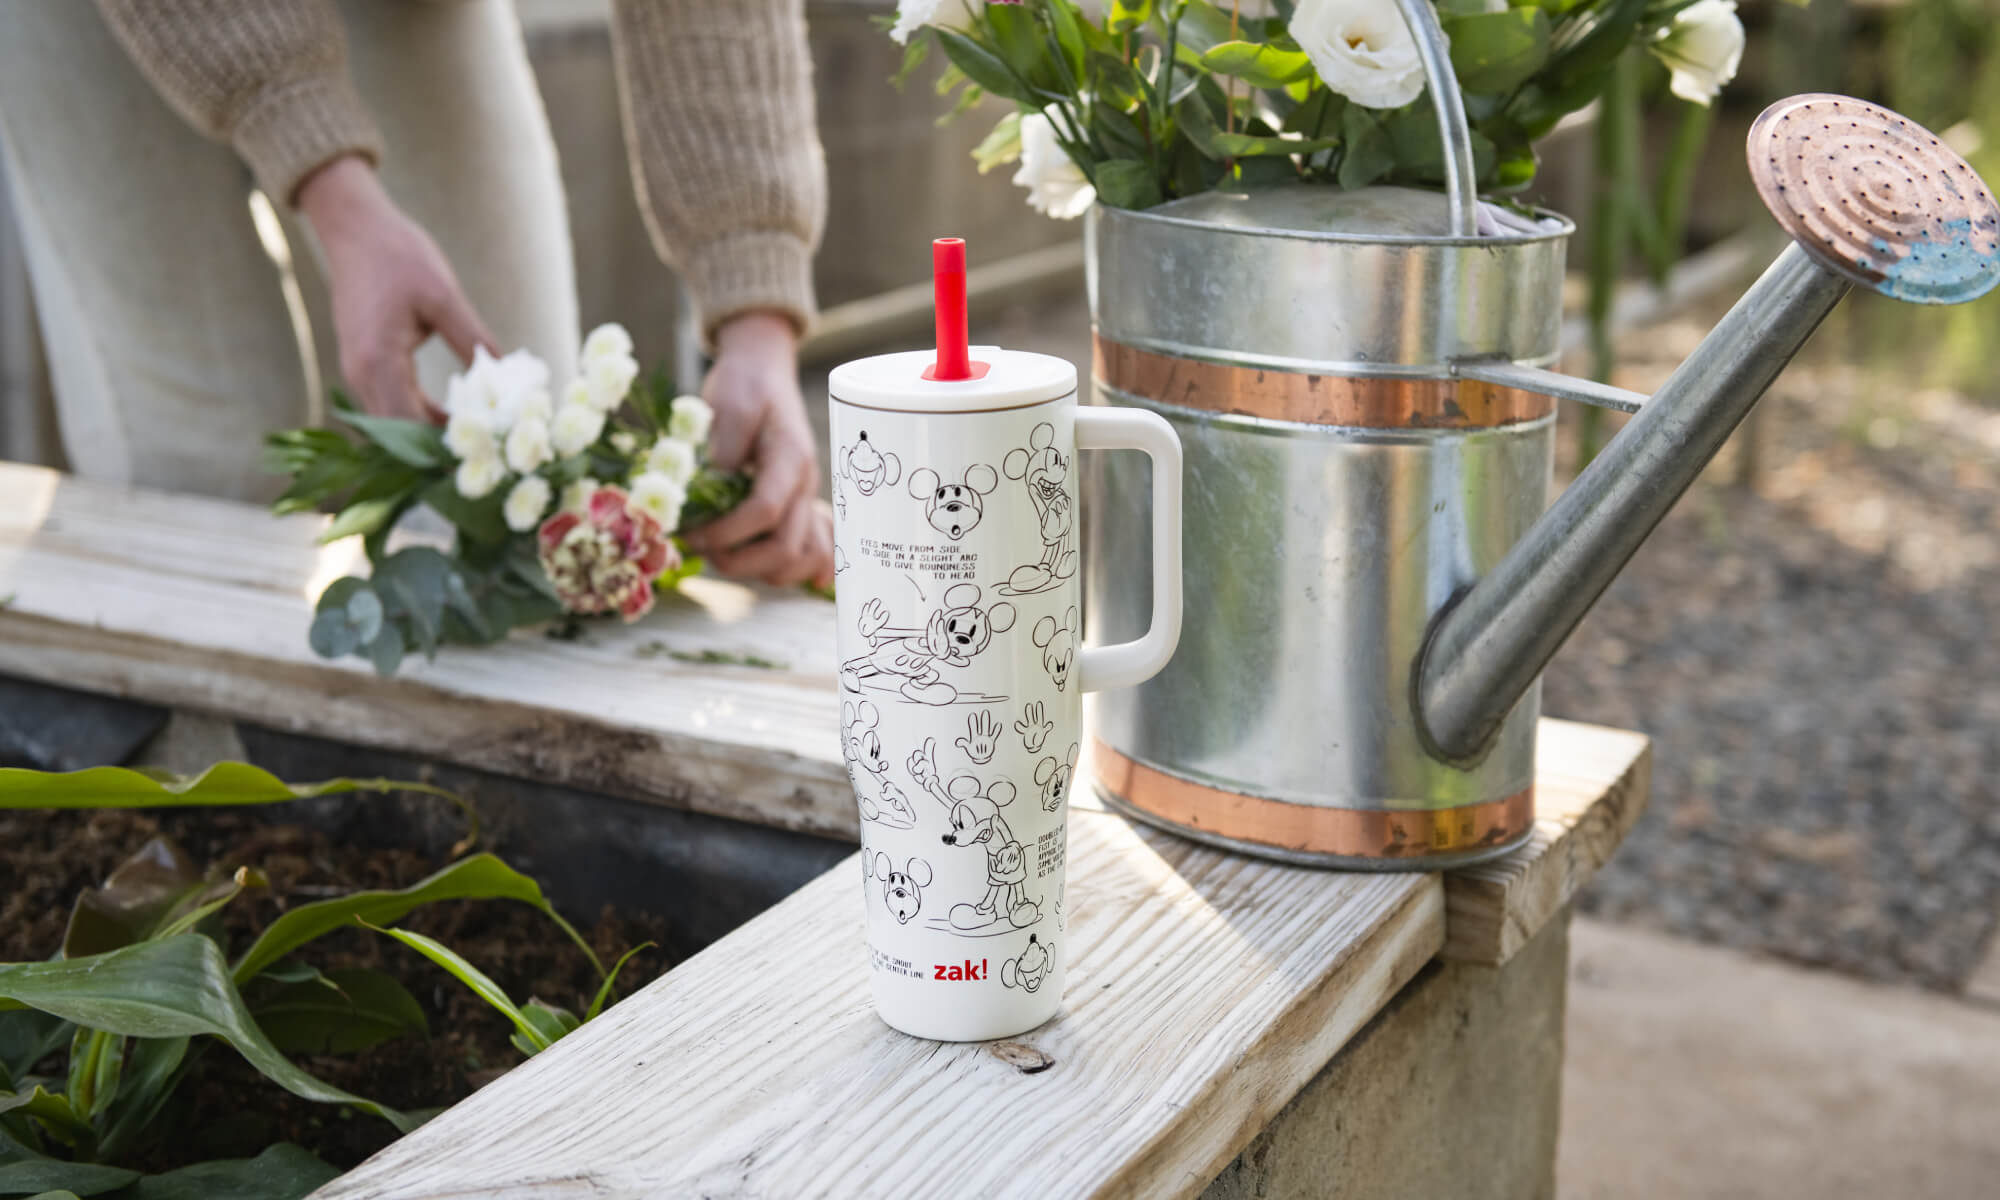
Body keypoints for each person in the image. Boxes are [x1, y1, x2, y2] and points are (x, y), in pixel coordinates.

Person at [0, 0, 833, 588]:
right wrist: (329, 178)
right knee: (202, 442)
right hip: (93, 21)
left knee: (519, 441)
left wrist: (754, 305)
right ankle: (201, 791)